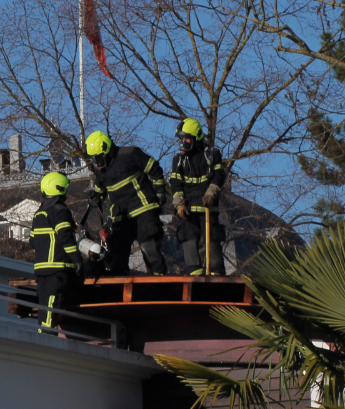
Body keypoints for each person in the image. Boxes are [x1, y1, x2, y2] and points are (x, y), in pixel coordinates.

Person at [85, 130, 169, 275]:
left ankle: (160, 284)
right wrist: (94, 198)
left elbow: (154, 168)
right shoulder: (101, 172)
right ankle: (120, 290)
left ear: (107, 150)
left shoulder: (130, 154)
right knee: (117, 257)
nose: (97, 163)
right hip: (121, 218)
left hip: (144, 210)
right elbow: (99, 191)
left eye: (98, 158)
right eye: (94, 159)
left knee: (149, 248)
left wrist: (160, 191)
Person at [169, 118, 226, 275]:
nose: (183, 142)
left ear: (197, 137)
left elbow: (219, 175)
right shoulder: (178, 160)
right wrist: (179, 204)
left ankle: (216, 272)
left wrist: (211, 192)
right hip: (188, 209)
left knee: (213, 237)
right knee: (188, 236)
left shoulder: (212, 155)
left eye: (186, 138)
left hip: (208, 206)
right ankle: (194, 272)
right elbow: (175, 184)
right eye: (181, 138)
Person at [29, 172, 85, 332]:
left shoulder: (38, 214)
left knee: (44, 305)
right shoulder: (60, 211)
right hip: (58, 268)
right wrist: (77, 261)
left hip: (41, 269)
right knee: (53, 303)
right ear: (59, 189)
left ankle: (43, 334)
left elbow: (32, 242)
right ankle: (47, 337)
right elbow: (66, 239)